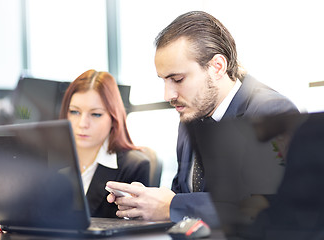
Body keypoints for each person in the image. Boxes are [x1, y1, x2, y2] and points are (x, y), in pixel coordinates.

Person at [106, 11, 299, 227]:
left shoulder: (270, 111)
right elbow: (183, 192)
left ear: (217, 67)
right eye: (164, 81)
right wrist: (147, 203)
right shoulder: (192, 116)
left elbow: (272, 206)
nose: (168, 95)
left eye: (177, 79)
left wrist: (174, 206)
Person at [59, 69, 150, 218]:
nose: (82, 124)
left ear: (113, 119)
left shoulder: (134, 167)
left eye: (96, 114)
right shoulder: (48, 159)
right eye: (75, 112)